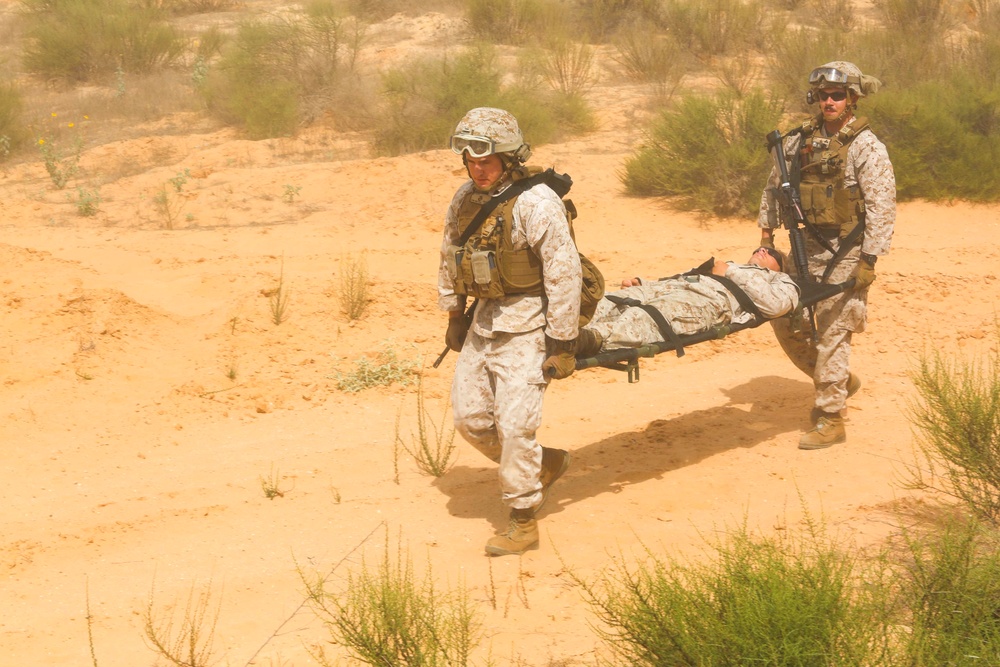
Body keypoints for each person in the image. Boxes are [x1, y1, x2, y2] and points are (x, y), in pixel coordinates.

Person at [438, 107, 582, 556]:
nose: (477, 168)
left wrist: (562, 342)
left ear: (509, 157)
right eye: (470, 160)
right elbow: (448, 255)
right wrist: (454, 315)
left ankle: (522, 519)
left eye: (487, 160)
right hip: (485, 321)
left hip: (529, 325)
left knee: (516, 427)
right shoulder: (465, 199)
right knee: (470, 420)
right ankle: (546, 464)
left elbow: (563, 273)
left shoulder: (538, 203)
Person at [757, 61, 896, 450]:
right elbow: (773, 190)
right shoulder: (796, 142)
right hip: (804, 248)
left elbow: (883, 206)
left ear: (852, 98)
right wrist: (766, 239)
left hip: (847, 252)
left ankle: (831, 416)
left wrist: (869, 260)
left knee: (834, 332)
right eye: (823, 96)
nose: (829, 101)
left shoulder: (866, 146)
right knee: (786, 319)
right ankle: (836, 380)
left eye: (837, 95)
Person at [576, 247, 798, 356]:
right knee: (611, 300)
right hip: (675, 287)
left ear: (781, 266)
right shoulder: (730, 264)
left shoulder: (782, 282)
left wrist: (731, 272)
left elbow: (774, 306)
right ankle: (562, 326)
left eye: (770, 253)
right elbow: (684, 275)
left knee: (647, 316)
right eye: (760, 248)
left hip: (709, 302)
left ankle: (584, 340)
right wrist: (644, 283)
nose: (762, 250)